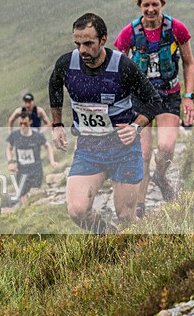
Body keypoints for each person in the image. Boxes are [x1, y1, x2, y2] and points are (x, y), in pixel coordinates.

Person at [48, 13, 161, 233]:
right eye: (78, 44)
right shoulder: (66, 63)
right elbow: (54, 86)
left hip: (123, 150)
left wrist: (136, 126)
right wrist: (57, 124)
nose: (82, 50)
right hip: (89, 149)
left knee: (127, 217)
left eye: (88, 43)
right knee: (77, 211)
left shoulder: (123, 67)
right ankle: (109, 235)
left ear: (103, 40)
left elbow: (153, 102)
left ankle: (145, 246)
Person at [113, 0, 194, 215]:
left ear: (163, 5)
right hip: (140, 101)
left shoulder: (176, 29)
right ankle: (140, 208)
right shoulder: (129, 34)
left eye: (154, 4)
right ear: (139, 6)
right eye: (146, 5)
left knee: (167, 148)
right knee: (144, 154)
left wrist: (189, 96)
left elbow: (189, 62)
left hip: (168, 96)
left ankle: (161, 175)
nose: (150, 9)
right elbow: (117, 67)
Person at [6, 111, 59, 206]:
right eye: (20, 124)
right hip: (21, 171)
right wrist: (10, 162)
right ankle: (27, 214)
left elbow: (48, 146)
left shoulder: (37, 136)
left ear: (30, 122)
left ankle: (35, 212)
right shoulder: (15, 135)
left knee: (34, 195)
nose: (22, 126)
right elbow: (9, 148)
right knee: (23, 195)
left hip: (36, 171)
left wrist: (52, 161)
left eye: (25, 124)